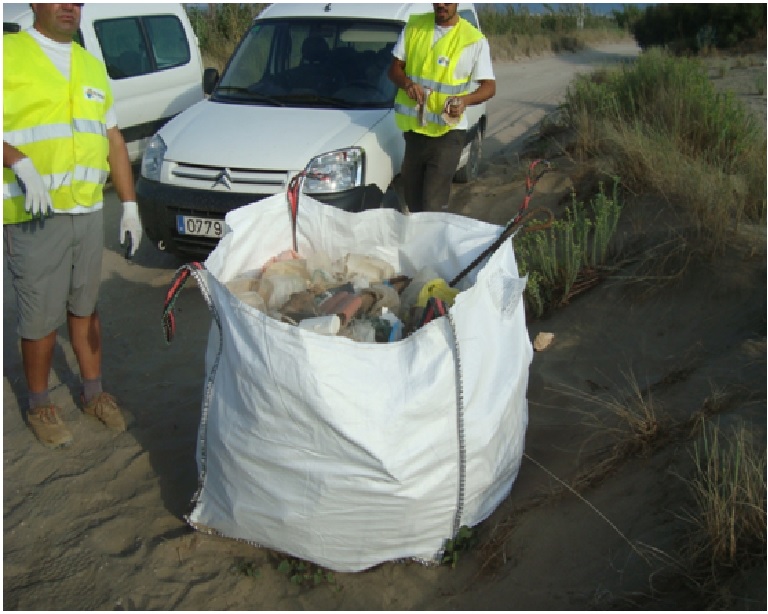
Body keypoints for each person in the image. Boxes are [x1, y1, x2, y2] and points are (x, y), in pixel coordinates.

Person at [3, 3, 143, 448]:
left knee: (85, 306)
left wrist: (129, 205)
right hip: (33, 213)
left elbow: (112, 139)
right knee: (40, 316)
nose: (69, 6)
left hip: (86, 209)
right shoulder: (10, 53)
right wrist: (17, 162)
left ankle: (94, 394)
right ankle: (40, 402)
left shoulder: (91, 65)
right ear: (32, 4)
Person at [388, 3, 496, 213]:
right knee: (413, 200)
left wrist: (464, 101)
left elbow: (489, 87)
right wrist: (408, 84)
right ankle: (423, 241)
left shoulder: (473, 40)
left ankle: (434, 243)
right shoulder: (415, 26)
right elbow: (393, 70)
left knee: (432, 203)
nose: (441, 4)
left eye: (447, 1)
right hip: (415, 133)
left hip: (448, 135)